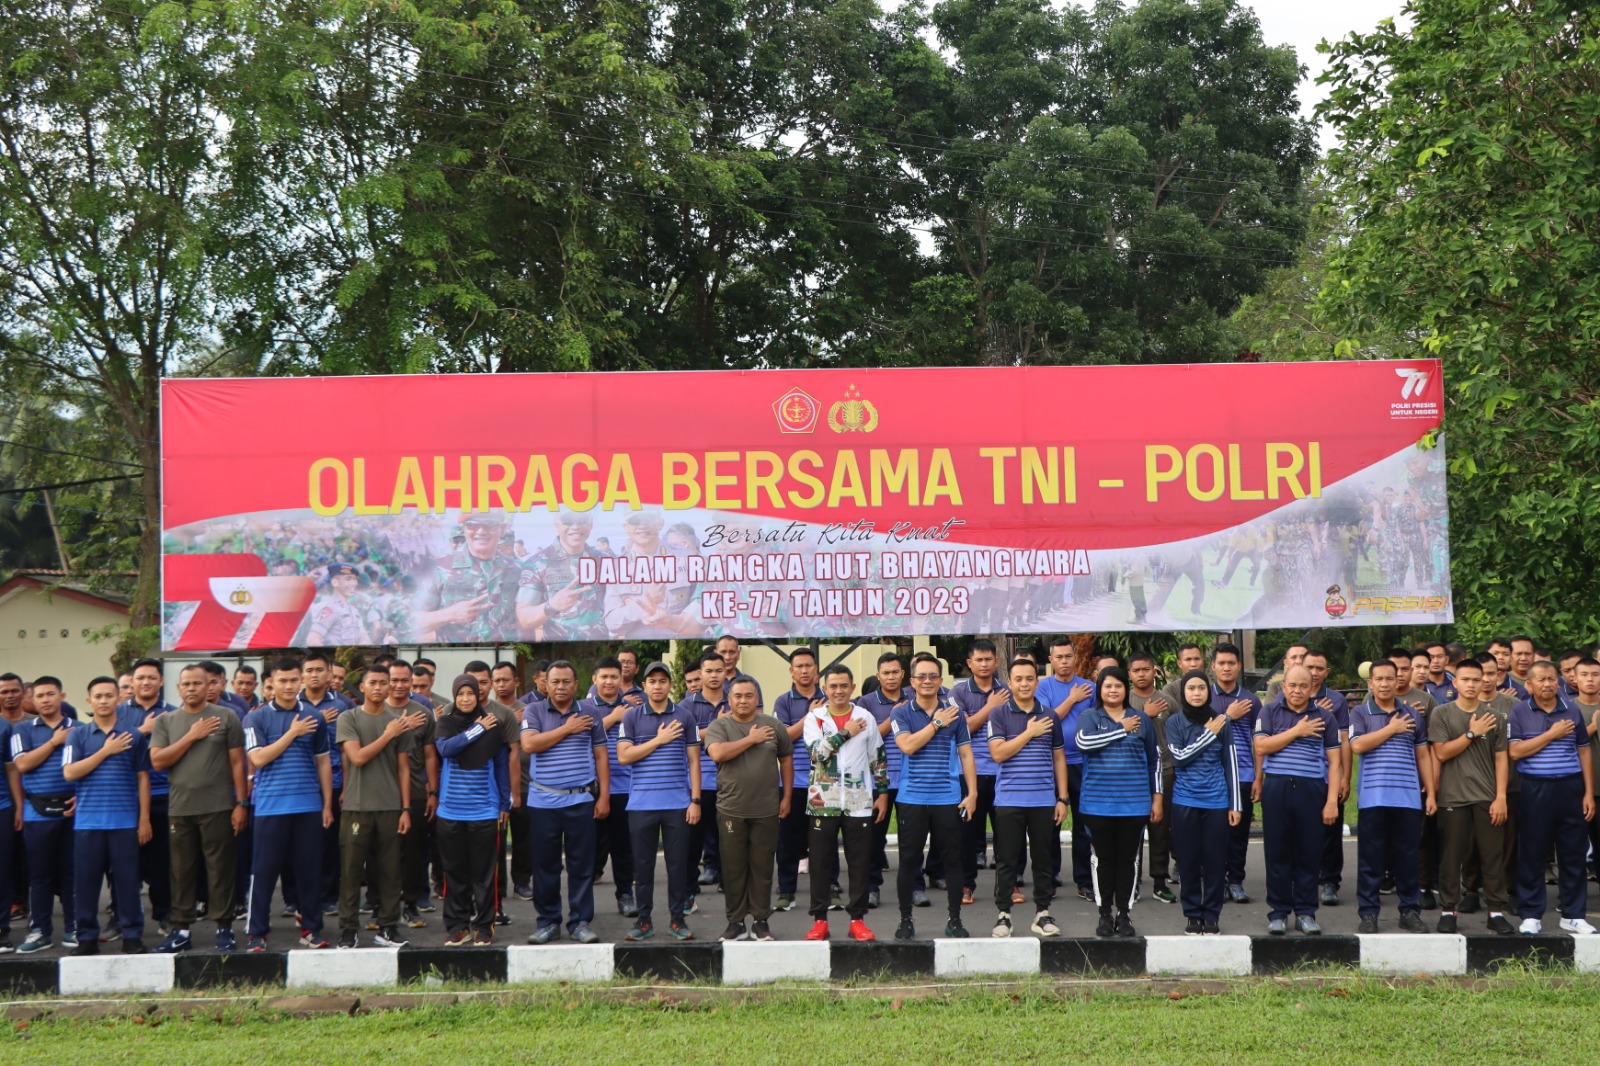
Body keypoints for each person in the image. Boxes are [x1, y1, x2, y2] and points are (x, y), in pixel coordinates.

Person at [150, 665, 247, 954]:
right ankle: (180, 930)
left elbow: (238, 763)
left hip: (218, 806)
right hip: (180, 808)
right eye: (186, 684)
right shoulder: (165, 721)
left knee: (220, 869)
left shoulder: (227, 717)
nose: (191, 688)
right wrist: (192, 735)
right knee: (182, 870)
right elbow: (158, 761)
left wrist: (241, 803)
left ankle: (224, 929)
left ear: (210, 686)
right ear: (178, 689)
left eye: (197, 683)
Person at [243, 659, 335, 952]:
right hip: (270, 807)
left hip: (308, 805)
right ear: (270, 683)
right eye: (282, 681)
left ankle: (311, 929)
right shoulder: (255, 718)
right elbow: (257, 759)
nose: (288, 686)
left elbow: (323, 762)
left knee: (309, 871)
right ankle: (257, 933)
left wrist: (327, 804)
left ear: (301, 682)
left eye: (294, 680)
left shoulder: (314, 716)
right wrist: (292, 733)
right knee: (264, 871)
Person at [520, 660, 608, 945]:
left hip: (580, 799)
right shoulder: (534, 710)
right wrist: (567, 729)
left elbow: (601, 756)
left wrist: (603, 796)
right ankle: (548, 921)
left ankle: (580, 922)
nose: (560, 686)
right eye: (554, 681)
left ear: (576, 683)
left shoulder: (590, 712)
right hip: (543, 801)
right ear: (545, 683)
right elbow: (530, 745)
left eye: (566, 681)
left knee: (582, 865)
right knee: (545, 865)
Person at [800, 665, 889, 942]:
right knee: (820, 863)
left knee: (860, 862)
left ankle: (857, 920)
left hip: (858, 801)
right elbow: (817, 755)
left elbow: (878, 756)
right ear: (824, 689)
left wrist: (882, 793)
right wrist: (846, 732)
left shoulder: (866, 717)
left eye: (844, 685)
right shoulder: (815, 718)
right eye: (833, 686)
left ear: (852, 688)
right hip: (822, 801)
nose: (838, 691)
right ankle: (820, 920)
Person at [64, 677, 152, 955]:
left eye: (108, 695)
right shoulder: (77, 735)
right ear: (89, 701)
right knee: (86, 883)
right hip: (88, 823)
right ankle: (87, 937)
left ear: (118, 699)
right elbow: (69, 772)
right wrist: (105, 751)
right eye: (97, 696)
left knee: (127, 883)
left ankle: (132, 935)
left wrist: (144, 819)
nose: (103, 701)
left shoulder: (133, 736)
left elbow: (143, 778)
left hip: (124, 822)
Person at [890, 653, 976, 939]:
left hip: (947, 798)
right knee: (909, 860)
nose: (927, 681)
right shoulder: (900, 713)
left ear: (941, 681)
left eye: (933, 676)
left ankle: (955, 919)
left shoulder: (956, 715)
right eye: (921, 676)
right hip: (912, 798)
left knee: (953, 861)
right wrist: (937, 723)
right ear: (912, 681)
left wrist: (972, 793)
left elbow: (966, 754)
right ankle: (905, 920)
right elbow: (907, 746)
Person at [1507, 661, 1596, 934]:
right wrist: (1551, 734)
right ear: (1529, 685)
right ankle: (1531, 914)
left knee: (1573, 852)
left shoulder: (1571, 709)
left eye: (1551, 679)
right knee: (1533, 850)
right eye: (1541, 680)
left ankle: (1573, 914)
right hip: (1536, 787)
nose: (1547, 684)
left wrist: (1588, 792)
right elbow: (1516, 752)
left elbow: (1583, 750)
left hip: (1570, 787)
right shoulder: (1519, 711)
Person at [336, 666, 420, 949]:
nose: (379, 687)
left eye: (384, 683)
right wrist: (388, 734)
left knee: (390, 870)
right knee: (350, 870)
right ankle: (348, 929)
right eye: (373, 682)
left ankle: (388, 927)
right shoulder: (349, 718)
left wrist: (406, 809)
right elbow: (357, 757)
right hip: (357, 806)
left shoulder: (398, 721)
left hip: (390, 807)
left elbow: (404, 769)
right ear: (362, 687)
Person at [1254, 666, 1341, 935]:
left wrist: (1331, 802)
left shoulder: (1326, 717)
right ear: (1284, 686)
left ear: (1311, 688)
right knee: (1277, 851)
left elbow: (1335, 762)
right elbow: (1261, 746)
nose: (1297, 690)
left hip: (1312, 788)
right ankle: (1278, 912)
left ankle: (1305, 912)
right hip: (1277, 787)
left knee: (1309, 852)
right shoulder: (1268, 711)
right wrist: (1297, 730)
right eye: (1292, 685)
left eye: (1303, 686)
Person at [617, 662, 701, 941]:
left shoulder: (685, 716)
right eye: (652, 681)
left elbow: (694, 761)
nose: (657, 686)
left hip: (677, 804)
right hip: (641, 805)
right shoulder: (631, 717)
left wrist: (695, 800)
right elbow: (624, 756)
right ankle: (644, 920)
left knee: (677, 866)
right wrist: (659, 739)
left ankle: (677, 920)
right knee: (643, 868)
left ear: (670, 685)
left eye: (662, 681)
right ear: (645, 684)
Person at [704, 677, 792, 942]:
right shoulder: (719, 726)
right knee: (733, 868)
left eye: (749, 696)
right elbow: (717, 754)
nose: (743, 701)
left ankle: (761, 921)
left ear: (757, 698)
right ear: (729, 699)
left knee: (762, 867)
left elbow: (786, 759)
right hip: (731, 808)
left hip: (766, 809)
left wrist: (786, 796)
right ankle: (736, 922)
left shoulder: (774, 726)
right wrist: (752, 739)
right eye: (738, 696)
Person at [1430, 659, 1514, 935]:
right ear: (1455, 682)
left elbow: (1502, 759)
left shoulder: (1496, 717)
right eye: (1465, 679)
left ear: (1485, 682)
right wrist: (1471, 733)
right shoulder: (1441, 713)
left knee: (1493, 855)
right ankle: (1448, 909)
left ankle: (1496, 911)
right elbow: (1441, 753)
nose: (1471, 684)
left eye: (1476, 679)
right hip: (1453, 797)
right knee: (1451, 857)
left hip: (1487, 796)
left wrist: (1501, 796)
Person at [986, 658, 1068, 939]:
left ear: (1037, 681)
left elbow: (1059, 757)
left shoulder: (1050, 716)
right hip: (1009, 800)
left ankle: (1042, 914)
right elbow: (998, 754)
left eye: (1029, 678)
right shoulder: (998, 715)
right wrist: (1029, 732)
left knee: (1043, 860)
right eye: (1018, 679)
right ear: (1009, 683)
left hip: (1043, 801)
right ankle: (1004, 915)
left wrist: (1063, 798)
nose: (1024, 684)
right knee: (1007, 859)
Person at [1349, 661, 1434, 933]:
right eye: (1379, 679)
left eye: (1390, 678)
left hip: (1408, 798)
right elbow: (1358, 745)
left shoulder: (1412, 714)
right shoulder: (1361, 713)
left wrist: (1431, 791)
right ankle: (1368, 913)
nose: (1385, 684)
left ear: (1398, 681)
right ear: (1370, 683)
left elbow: (1423, 754)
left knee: (1407, 858)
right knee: (1370, 860)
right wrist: (1391, 729)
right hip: (1373, 798)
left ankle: (1409, 911)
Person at [1076, 666, 1159, 938]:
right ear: (1100, 690)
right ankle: (1104, 914)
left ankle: (1124, 914)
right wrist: (1120, 729)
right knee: (1103, 860)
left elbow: (1154, 762)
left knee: (1127, 861)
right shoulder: (1090, 716)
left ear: (1126, 689)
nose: (1113, 690)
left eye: (1118, 686)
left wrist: (1156, 798)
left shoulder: (1142, 719)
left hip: (1134, 805)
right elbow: (1084, 744)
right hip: (1097, 805)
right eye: (1108, 685)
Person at [435, 675, 510, 946]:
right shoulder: (446, 723)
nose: (466, 698)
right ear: (454, 697)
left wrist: (504, 803)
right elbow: (446, 749)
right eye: (460, 694)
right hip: (450, 811)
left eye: (471, 693)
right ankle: (457, 926)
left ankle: (483, 926)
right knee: (454, 873)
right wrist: (476, 729)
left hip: (484, 811)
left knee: (484, 873)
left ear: (479, 696)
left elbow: (501, 766)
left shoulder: (494, 726)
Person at [1165, 670, 1241, 935]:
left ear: (1208, 691)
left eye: (1201, 688)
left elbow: (1230, 763)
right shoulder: (1174, 722)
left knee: (1215, 861)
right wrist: (1208, 733)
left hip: (1217, 801)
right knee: (1187, 861)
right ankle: (1192, 914)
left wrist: (1236, 804)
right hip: (1184, 801)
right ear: (1183, 692)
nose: (1196, 693)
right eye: (1191, 688)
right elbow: (1180, 758)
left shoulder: (1223, 722)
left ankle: (1211, 914)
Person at [10, 678, 76, 954]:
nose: (46, 699)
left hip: (73, 812)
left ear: (61, 695)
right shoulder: (22, 730)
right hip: (37, 813)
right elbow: (22, 764)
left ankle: (75, 928)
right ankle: (40, 931)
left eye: (51, 694)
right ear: (32, 699)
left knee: (73, 873)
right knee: (40, 875)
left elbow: (90, 768)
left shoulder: (80, 729)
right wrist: (54, 742)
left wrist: (81, 798)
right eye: (40, 696)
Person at [1036, 637, 1096, 902]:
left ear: (1075, 657)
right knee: (1051, 824)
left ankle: (1084, 881)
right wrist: (1072, 699)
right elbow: (1046, 721)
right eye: (1058, 657)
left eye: (1068, 656)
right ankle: (1049, 878)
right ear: (1051, 660)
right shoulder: (1043, 687)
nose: (1063, 662)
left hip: (1085, 764)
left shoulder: (1092, 688)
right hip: (1053, 764)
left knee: (1085, 825)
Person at [117, 657, 173, 939]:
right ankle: (119, 916)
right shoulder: (117, 713)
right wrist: (141, 731)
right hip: (124, 798)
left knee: (162, 862)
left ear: (161, 681)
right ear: (133, 682)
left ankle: (164, 915)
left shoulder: (175, 713)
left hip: (164, 796)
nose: (146, 682)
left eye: (152, 677)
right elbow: (109, 748)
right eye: (140, 678)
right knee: (122, 864)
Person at [952, 640, 1010, 904]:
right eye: (979, 660)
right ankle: (966, 884)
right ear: (970, 663)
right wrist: (990, 706)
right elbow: (963, 729)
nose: (985, 664)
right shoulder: (958, 692)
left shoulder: (1009, 690)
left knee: (1007, 832)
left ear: (996, 661)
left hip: (1004, 772)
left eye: (989, 659)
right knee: (967, 833)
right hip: (970, 774)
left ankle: (1010, 885)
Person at [1205, 644, 1262, 904]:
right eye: (1221, 663)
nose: (1226, 667)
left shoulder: (1252, 700)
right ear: (1213, 666)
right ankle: (1216, 881)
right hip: (1213, 775)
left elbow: (1259, 742)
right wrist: (1228, 716)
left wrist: (1259, 777)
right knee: (1214, 832)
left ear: (1239, 666)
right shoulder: (1204, 697)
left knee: (1238, 833)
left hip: (1244, 774)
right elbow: (1203, 734)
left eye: (1231, 663)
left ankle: (1236, 881)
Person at [386, 660, 438, 928]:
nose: (398, 685)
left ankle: (411, 904)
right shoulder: (373, 710)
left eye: (404, 680)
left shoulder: (423, 711)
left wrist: (433, 790)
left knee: (414, 851)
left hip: (417, 790)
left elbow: (430, 754)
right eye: (393, 680)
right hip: (382, 790)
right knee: (382, 851)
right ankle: (381, 905)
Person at [858, 652, 910, 909]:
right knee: (874, 838)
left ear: (903, 674)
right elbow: (867, 738)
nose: (891, 677)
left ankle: (914, 887)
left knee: (911, 837)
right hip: (879, 780)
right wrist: (894, 717)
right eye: (885, 673)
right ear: (878, 675)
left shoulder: (914, 696)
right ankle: (872, 887)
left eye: (895, 672)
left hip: (911, 779)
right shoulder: (865, 703)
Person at [586, 657, 637, 919]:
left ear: (621, 680)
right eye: (603, 676)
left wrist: (621, 714)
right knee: (585, 848)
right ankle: (582, 904)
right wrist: (612, 718)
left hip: (624, 788)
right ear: (594, 679)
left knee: (623, 847)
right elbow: (579, 738)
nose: (609, 681)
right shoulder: (582, 708)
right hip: (588, 788)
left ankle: (626, 895)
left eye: (613, 677)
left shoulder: (634, 709)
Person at [774, 647, 823, 912]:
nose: (804, 671)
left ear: (816, 670)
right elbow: (783, 738)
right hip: (791, 783)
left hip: (825, 783)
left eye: (808, 666)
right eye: (799, 667)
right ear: (791, 671)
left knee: (823, 841)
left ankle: (830, 888)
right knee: (789, 841)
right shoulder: (783, 702)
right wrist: (810, 716)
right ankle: (786, 890)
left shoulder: (830, 697)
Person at [1127, 652, 1175, 903]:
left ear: (1154, 671)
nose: (1142, 674)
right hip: (1132, 774)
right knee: (1132, 830)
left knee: (1160, 829)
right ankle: (1132, 883)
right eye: (1136, 670)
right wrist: (1145, 714)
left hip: (1165, 770)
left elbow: (1181, 730)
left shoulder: (1167, 701)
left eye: (1146, 669)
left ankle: (1159, 881)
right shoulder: (1123, 701)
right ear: (1130, 674)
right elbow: (1121, 731)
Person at [681, 650, 729, 897]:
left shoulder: (736, 699)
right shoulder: (685, 706)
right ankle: (689, 887)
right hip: (696, 783)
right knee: (692, 840)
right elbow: (681, 739)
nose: (713, 676)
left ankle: (726, 880)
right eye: (708, 671)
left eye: (718, 671)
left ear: (726, 672)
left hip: (730, 781)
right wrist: (716, 727)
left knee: (728, 838)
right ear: (700, 674)